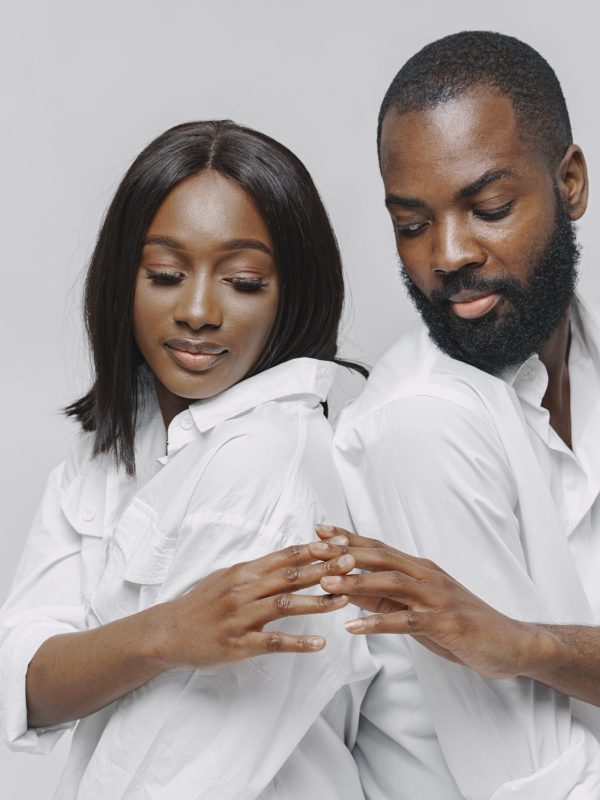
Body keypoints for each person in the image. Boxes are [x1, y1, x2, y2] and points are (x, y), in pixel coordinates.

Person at [0, 120, 376, 799]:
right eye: (167, 274)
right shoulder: (114, 446)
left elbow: (164, 777)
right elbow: (27, 689)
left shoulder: (264, 462)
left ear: (292, 291)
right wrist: (162, 634)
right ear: (124, 279)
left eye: (242, 280)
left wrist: (115, 650)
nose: (198, 310)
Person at [315, 31, 600, 799]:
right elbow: (540, 786)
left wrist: (530, 645)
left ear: (570, 182)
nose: (447, 254)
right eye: (411, 224)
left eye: (490, 207)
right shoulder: (423, 425)